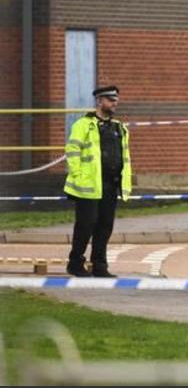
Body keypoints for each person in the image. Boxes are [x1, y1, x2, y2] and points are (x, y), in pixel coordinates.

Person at [64, 85, 132, 278]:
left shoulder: (119, 128)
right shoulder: (83, 125)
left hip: (111, 184)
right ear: (100, 101)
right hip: (88, 185)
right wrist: (77, 176)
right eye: (111, 100)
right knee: (86, 225)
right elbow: (73, 151)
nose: (115, 103)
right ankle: (75, 263)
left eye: (116, 100)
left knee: (105, 225)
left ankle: (100, 266)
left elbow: (124, 156)